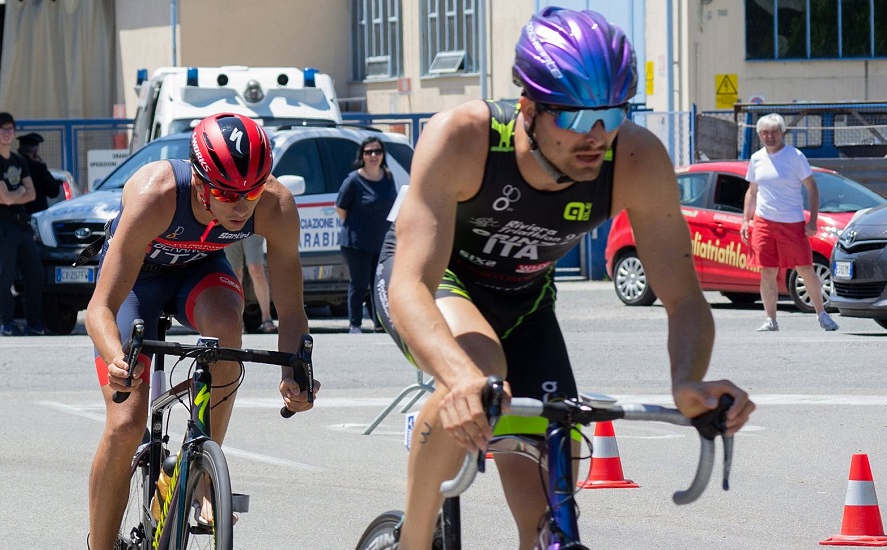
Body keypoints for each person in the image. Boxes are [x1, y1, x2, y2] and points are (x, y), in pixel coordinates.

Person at [371, 8, 756, 550]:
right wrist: (457, 377)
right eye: (575, 118)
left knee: (549, 517)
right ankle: (412, 542)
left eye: (613, 113)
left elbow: (684, 298)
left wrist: (688, 382)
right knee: (482, 374)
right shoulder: (464, 137)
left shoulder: (638, 158)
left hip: (525, 300)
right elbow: (409, 285)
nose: (596, 136)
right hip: (438, 281)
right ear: (528, 106)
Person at [85, 112, 319, 550]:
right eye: (227, 193)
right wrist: (117, 359)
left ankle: (200, 468)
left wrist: (294, 373)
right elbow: (99, 306)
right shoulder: (155, 193)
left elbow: (290, 311)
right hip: (136, 283)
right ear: (198, 179)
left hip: (198, 273)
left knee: (229, 325)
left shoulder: (276, 206)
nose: (242, 205)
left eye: (252, 190)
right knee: (125, 424)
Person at [741, 113, 839, 332]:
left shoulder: (795, 156)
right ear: (759, 135)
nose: (770, 136)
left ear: (782, 132)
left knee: (805, 268)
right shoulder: (756, 159)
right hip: (764, 222)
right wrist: (745, 221)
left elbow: (812, 188)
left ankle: (822, 314)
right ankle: (770, 319)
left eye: (774, 132)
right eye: (765, 133)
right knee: (767, 270)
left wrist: (812, 220)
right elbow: (752, 191)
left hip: (792, 223)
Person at [0, 112, 46, 337]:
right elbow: (5, 196)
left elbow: (31, 194)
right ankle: (7, 323)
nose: (7, 133)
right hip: (4, 224)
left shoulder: (19, 161)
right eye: (3, 130)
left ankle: (33, 322)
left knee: (35, 273)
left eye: (10, 129)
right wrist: (17, 192)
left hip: (22, 223)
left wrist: (15, 193)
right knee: (7, 274)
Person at [336, 137, 397, 334]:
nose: (373, 155)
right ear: (362, 155)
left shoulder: (387, 176)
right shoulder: (353, 180)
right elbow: (340, 209)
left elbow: (394, 205)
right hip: (356, 243)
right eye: (369, 152)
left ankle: (379, 323)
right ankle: (355, 324)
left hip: (380, 242)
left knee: (378, 284)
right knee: (359, 284)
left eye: (377, 151)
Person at [225, 234, 277, 333]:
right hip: (228, 227)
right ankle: (238, 321)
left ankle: (267, 319)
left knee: (256, 268)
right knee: (235, 273)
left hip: (251, 226)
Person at [15, 132, 62, 214]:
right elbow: (53, 191)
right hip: (36, 214)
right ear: (35, 150)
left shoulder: (12, 165)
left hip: (14, 214)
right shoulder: (38, 167)